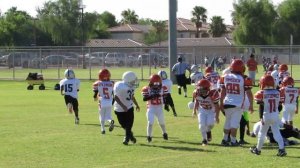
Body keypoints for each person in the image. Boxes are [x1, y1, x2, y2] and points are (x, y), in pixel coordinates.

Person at [219, 59, 254, 146]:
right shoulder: (244, 78)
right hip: (237, 104)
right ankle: (233, 141)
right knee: (234, 124)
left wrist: (221, 103)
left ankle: (224, 139)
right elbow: (249, 94)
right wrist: (251, 105)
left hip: (227, 102)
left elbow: (222, 92)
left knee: (227, 122)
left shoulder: (225, 77)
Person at [250, 75, 287, 157]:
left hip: (266, 115)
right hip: (275, 115)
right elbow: (280, 105)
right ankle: (282, 149)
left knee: (262, 133)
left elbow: (261, 105)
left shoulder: (261, 93)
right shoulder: (278, 92)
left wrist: (260, 117)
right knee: (276, 132)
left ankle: (258, 150)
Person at [113, 71, 140, 145]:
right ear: (128, 80)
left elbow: (132, 96)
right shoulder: (119, 86)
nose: (134, 82)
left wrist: (136, 104)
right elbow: (115, 97)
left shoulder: (131, 86)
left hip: (129, 107)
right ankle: (131, 137)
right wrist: (123, 106)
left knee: (129, 125)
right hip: (119, 109)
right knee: (124, 125)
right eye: (133, 81)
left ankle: (126, 138)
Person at [142, 74, 169, 143]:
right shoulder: (146, 89)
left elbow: (165, 97)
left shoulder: (163, 88)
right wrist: (153, 96)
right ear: (151, 83)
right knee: (150, 122)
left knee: (162, 122)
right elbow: (144, 99)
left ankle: (164, 133)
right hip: (151, 107)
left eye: (158, 83)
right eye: (154, 83)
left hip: (159, 107)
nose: (156, 85)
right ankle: (149, 136)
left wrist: (166, 104)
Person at [192, 79, 220, 146]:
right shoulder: (196, 93)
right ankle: (204, 140)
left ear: (207, 88)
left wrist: (217, 116)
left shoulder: (213, 93)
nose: (200, 90)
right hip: (202, 110)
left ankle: (208, 131)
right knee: (201, 125)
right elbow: (197, 100)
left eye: (202, 88)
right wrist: (194, 110)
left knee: (210, 124)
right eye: (199, 88)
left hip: (211, 110)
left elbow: (217, 106)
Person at [92, 69, 115, 134]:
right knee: (108, 116)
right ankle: (111, 121)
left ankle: (103, 129)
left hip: (102, 101)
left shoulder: (98, 83)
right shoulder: (112, 83)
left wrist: (95, 98)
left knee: (101, 116)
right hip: (109, 101)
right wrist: (113, 101)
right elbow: (114, 94)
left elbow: (95, 94)